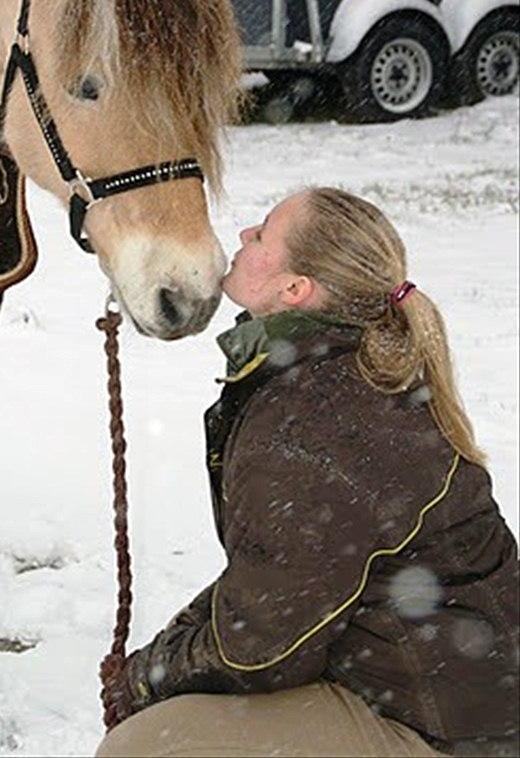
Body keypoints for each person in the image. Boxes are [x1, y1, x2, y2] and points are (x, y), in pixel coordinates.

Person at [96, 188, 519, 758]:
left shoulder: (311, 423)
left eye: (265, 234)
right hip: (447, 693)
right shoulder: (345, 377)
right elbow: (274, 578)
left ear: (296, 291)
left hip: (448, 731)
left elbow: (260, 649)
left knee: (145, 748)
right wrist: (164, 655)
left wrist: (148, 679)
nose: (244, 235)